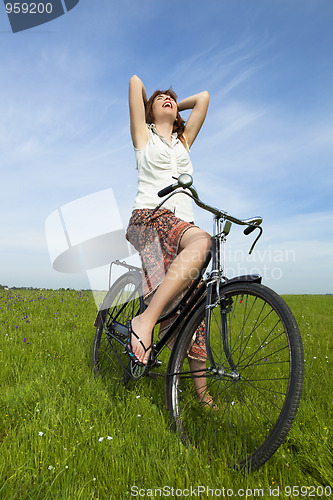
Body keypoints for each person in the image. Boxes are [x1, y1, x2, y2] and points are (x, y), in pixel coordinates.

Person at [125, 75, 212, 404]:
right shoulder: (142, 135)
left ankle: (202, 396)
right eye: (160, 98)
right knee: (203, 243)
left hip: (180, 223)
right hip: (149, 218)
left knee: (194, 302)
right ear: (148, 111)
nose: (167, 99)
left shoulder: (184, 141)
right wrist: (152, 103)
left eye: (172, 99)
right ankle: (145, 320)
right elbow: (135, 82)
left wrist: (176, 108)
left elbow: (202, 98)